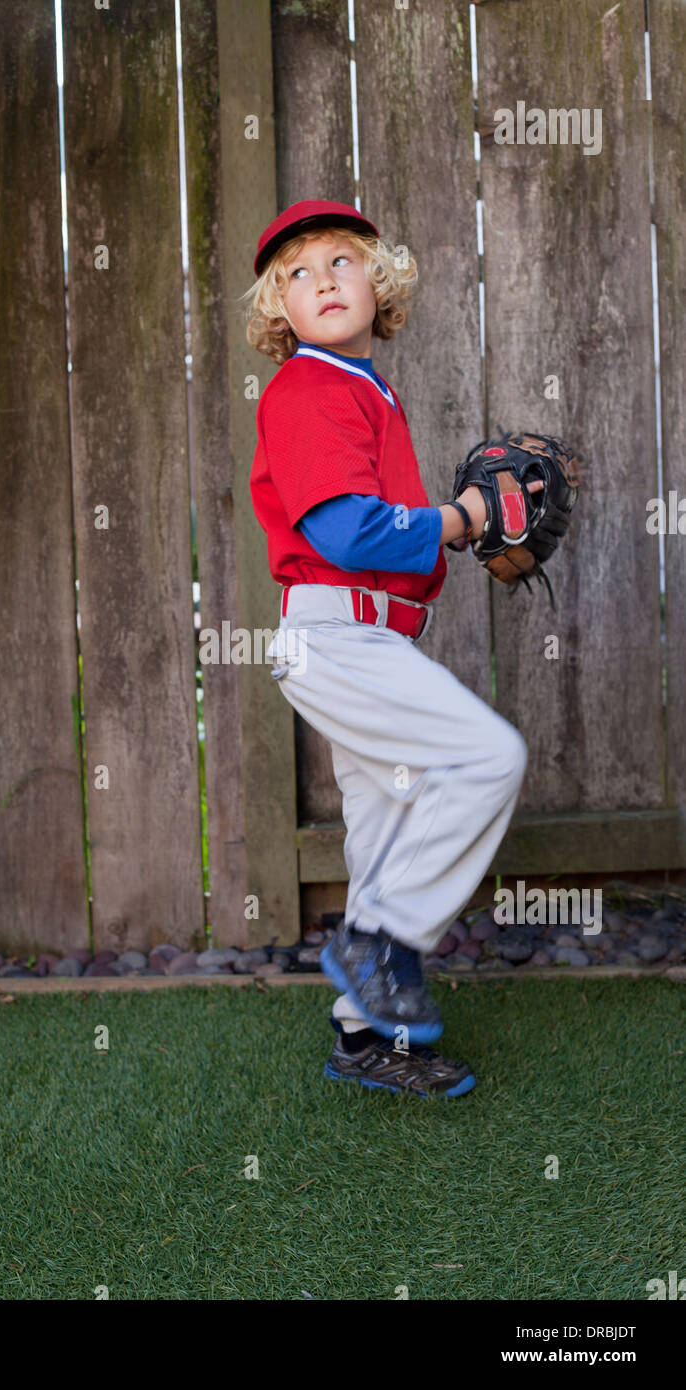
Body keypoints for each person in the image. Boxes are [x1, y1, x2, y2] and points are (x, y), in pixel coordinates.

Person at [244, 200, 539, 1099]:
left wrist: (464, 528)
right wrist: (462, 520)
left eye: (342, 259)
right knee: (491, 756)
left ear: (384, 283)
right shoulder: (308, 387)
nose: (324, 278)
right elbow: (345, 529)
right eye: (297, 272)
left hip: (369, 637)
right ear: (277, 312)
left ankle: (365, 1039)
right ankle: (379, 944)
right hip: (335, 634)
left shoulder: (363, 388)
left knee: (384, 831)